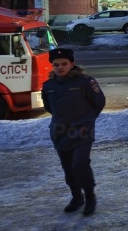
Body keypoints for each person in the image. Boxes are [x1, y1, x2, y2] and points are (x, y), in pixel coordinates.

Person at [42, 48, 106, 217]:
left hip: (82, 130)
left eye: (64, 64)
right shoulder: (48, 86)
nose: (60, 67)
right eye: (56, 65)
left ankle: (90, 197)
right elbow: (49, 107)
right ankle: (77, 197)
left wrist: (86, 120)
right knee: (68, 168)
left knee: (80, 164)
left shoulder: (85, 82)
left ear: (72, 64)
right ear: (52, 66)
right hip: (60, 132)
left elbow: (99, 102)